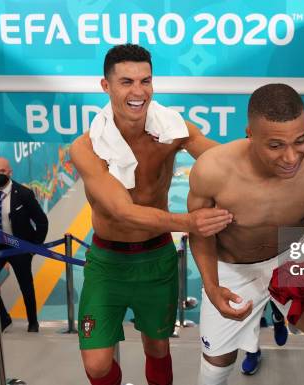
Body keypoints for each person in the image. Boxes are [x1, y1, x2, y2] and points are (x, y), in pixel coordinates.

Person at [69, 43, 233, 385]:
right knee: (97, 364)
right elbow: (122, 211)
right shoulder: (86, 148)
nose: (138, 91)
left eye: (146, 81)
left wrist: (263, 154)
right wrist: (188, 223)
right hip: (107, 264)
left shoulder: (173, 130)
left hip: (156, 259)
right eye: (126, 81)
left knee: (158, 348)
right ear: (106, 86)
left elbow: (223, 161)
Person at [188, 83, 304, 385]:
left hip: (293, 258)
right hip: (232, 270)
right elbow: (200, 232)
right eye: (275, 146)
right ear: (250, 134)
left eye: (300, 141)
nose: (290, 158)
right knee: (215, 370)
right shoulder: (212, 170)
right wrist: (211, 286)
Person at [0, 157, 49, 333]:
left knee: (26, 286)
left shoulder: (24, 194)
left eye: (2, 171)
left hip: (19, 247)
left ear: (10, 172)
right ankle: (4, 319)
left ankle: (33, 322)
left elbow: (42, 221)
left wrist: (33, 248)